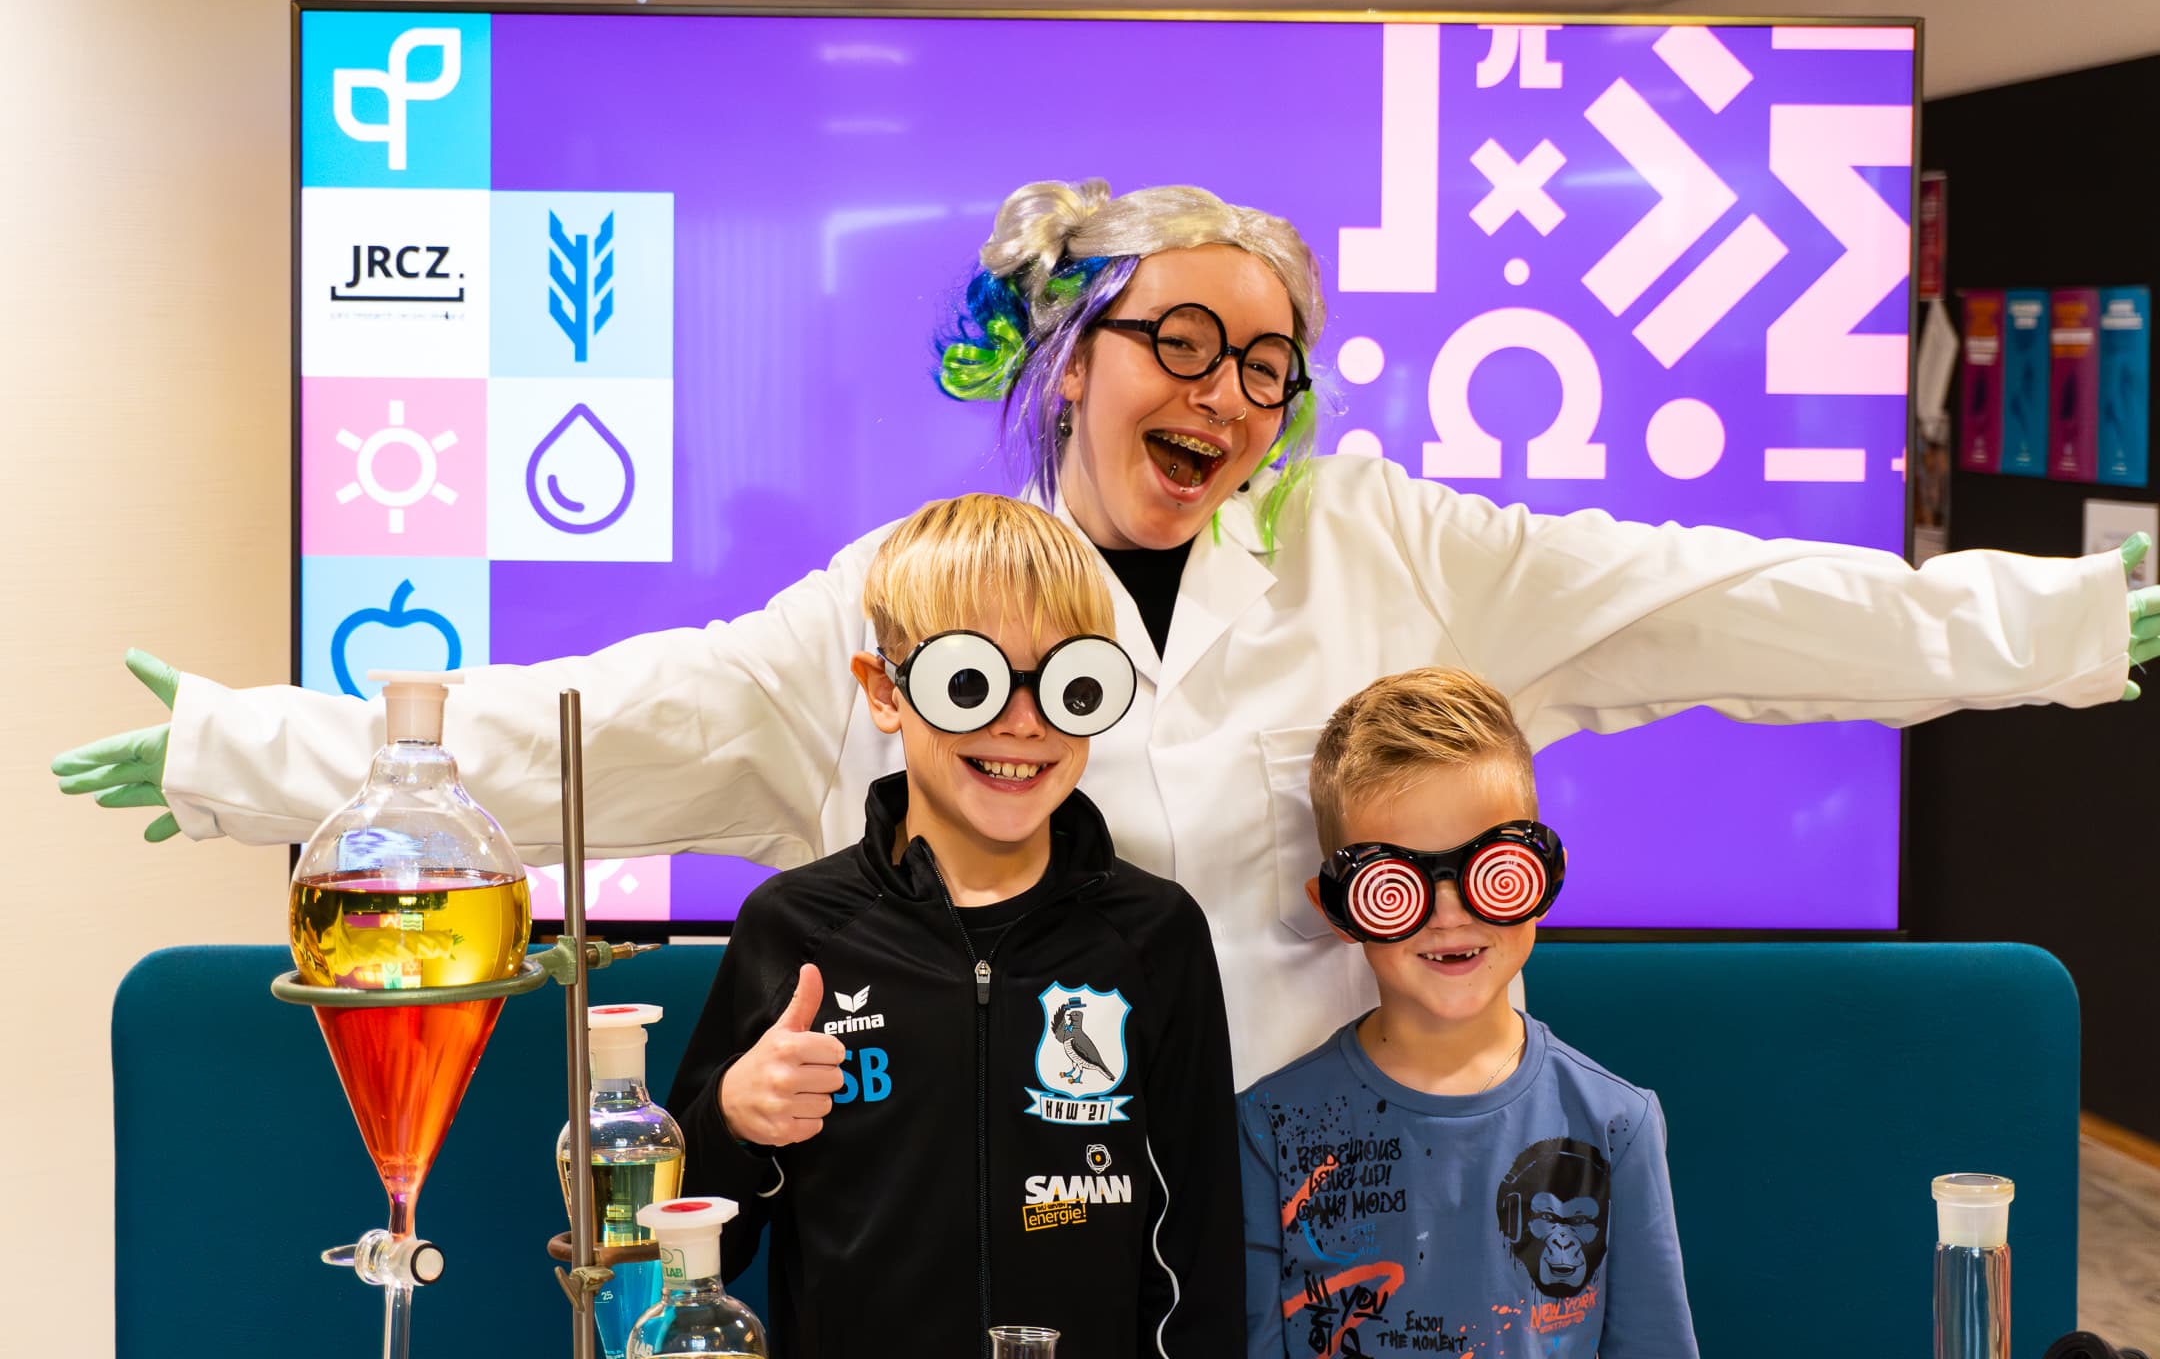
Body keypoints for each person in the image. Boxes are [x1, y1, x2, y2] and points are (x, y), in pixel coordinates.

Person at [53, 178, 2160, 1085]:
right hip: (971, 1186)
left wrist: (2068, 617)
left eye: (1271, 364)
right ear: (1075, 359)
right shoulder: (904, 589)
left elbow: (1732, 609)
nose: (1230, 395)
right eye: (1185, 342)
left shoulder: (1387, 547)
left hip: (1301, 1185)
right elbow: (593, 728)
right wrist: (251, 751)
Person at [667, 493, 1240, 1358]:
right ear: (885, 691)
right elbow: (690, 1249)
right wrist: (735, 1118)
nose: (1023, 723)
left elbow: (1197, 1258)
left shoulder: (1155, 936)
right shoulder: (796, 931)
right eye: (970, 683)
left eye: (1067, 684)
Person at [1241, 668, 1693, 1358]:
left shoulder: (1613, 1124)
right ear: (1338, 907)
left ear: (1539, 874)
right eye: (1398, 880)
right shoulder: (1269, 1129)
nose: (1450, 914)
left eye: (1488, 867)